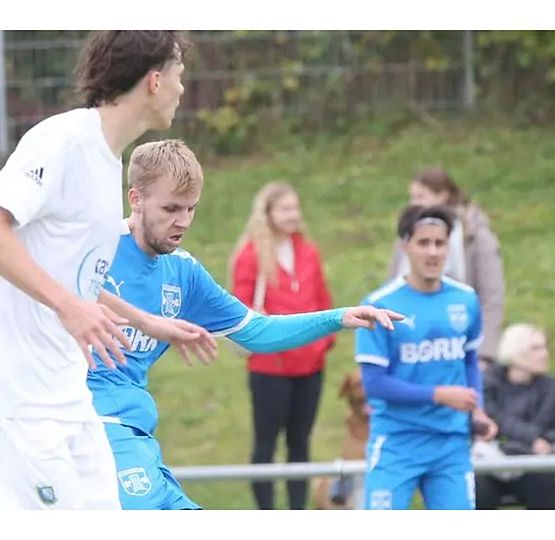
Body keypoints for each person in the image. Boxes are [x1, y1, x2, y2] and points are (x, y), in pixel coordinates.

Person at [86, 139, 403, 510]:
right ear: (135, 199)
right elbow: (49, 281)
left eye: (191, 209)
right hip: (85, 422)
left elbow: (257, 332)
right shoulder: (93, 246)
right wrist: (145, 321)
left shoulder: (183, 273)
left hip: (134, 427)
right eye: (171, 208)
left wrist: (339, 318)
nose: (183, 221)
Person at [0, 30, 219, 510]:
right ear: (155, 80)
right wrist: (67, 307)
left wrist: (146, 322)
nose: (183, 89)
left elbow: (75, 277)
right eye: (180, 75)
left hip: (70, 397)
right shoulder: (62, 141)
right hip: (25, 404)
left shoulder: (106, 161)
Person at [357, 204, 499, 510]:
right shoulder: (379, 305)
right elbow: (375, 385)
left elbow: (469, 360)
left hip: (450, 444)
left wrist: (478, 412)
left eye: (440, 243)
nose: (432, 252)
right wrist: (439, 395)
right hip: (397, 442)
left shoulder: (465, 299)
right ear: (405, 245)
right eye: (423, 243)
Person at [230, 181, 336, 510]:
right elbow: (239, 309)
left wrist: (323, 344)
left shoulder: (308, 250)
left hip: (310, 365)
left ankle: (297, 514)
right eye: (285, 209)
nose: (293, 215)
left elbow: (322, 299)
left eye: (295, 208)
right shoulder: (250, 255)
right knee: (266, 444)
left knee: (300, 443)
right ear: (268, 213)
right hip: (270, 368)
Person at [388, 168, 504, 368]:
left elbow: (491, 296)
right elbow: (393, 287)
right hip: (412, 346)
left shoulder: (475, 236)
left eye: (420, 196)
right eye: (412, 197)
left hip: (461, 341)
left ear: (442, 196)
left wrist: (484, 353)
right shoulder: (406, 237)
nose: (414, 203)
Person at [473, 323, 555, 510]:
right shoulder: (488, 383)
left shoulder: (551, 387)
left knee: (544, 478)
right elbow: (493, 420)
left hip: (533, 464)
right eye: (536, 348)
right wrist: (534, 439)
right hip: (491, 461)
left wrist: (548, 441)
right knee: (477, 488)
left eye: (544, 347)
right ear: (516, 352)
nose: (544, 354)